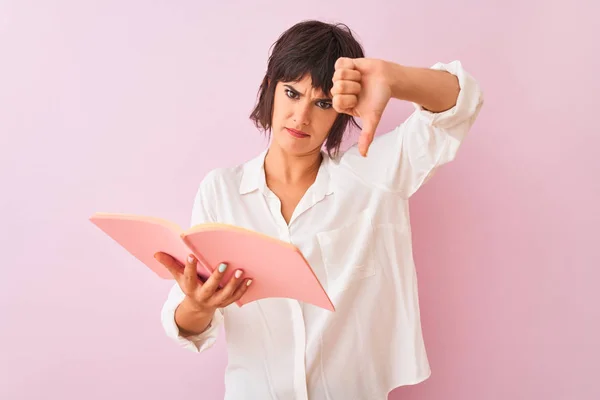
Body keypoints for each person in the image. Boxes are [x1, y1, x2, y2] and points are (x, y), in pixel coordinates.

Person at [154, 19, 483, 400]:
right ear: (270, 90)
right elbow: (187, 324)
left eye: (322, 103)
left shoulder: (371, 177)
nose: (302, 117)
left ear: (342, 111)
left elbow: (458, 106)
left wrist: (392, 78)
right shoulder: (221, 190)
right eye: (292, 93)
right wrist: (197, 303)